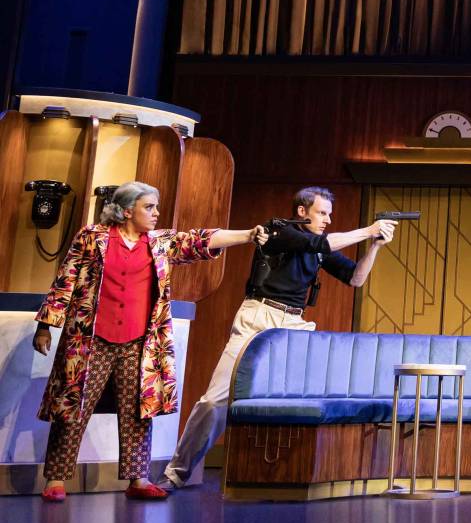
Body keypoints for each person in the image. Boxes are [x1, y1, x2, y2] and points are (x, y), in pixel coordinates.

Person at [31, 181, 267, 502]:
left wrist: (248, 235)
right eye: (149, 207)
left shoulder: (157, 243)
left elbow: (199, 240)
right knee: (74, 406)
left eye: (156, 207)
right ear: (127, 211)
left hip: (139, 343)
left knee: (138, 412)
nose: (156, 213)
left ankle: (138, 479)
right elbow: (66, 279)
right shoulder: (93, 237)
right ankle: (56, 480)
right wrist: (45, 326)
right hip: (91, 338)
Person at [162, 186, 396, 489]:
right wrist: (368, 230)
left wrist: (375, 246)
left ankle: (295, 476)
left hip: (293, 324)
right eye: (322, 213)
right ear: (302, 211)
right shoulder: (280, 230)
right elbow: (319, 242)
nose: (327, 219)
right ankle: (176, 473)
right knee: (215, 400)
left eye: (329, 214)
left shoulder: (318, 248)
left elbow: (356, 278)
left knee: (305, 398)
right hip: (259, 316)